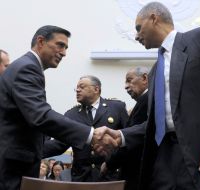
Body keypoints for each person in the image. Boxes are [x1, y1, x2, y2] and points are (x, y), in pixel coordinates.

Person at [94, 2, 200, 190]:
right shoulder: (154, 72)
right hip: (163, 164)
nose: (136, 35)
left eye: (138, 28)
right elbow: (157, 124)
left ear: (154, 18)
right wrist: (121, 135)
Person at [0, 25, 116, 190]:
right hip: (13, 168)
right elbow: (41, 116)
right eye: (60, 45)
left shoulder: (27, 66)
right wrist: (90, 135)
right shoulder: (27, 68)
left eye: (66, 47)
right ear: (41, 41)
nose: (64, 53)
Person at [43, 75, 129, 182]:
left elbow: (127, 139)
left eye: (82, 87)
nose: (77, 90)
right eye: (76, 88)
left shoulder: (116, 108)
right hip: (82, 178)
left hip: (110, 176)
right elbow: (59, 144)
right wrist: (34, 149)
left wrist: (112, 163)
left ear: (96, 89)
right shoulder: (71, 114)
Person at [102, 67, 149, 190]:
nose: (126, 86)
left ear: (144, 78)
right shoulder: (143, 101)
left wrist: (109, 163)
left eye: (129, 80)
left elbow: (133, 140)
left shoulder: (147, 100)